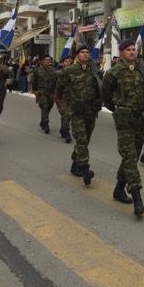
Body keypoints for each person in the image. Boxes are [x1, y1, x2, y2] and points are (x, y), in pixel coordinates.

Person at [102, 39, 144, 217]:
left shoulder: (142, 70)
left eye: (134, 49)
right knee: (130, 157)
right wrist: (118, 110)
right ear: (121, 52)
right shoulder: (113, 72)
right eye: (128, 50)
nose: (132, 52)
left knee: (132, 156)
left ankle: (118, 188)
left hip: (141, 119)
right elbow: (106, 97)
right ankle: (137, 198)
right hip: (125, 121)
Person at [56, 44, 102, 185]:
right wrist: (63, 106)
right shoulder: (69, 71)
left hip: (91, 111)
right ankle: (85, 169)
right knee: (81, 139)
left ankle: (75, 164)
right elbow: (59, 89)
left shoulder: (95, 71)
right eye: (82, 52)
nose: (85, 54)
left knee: (85, 140)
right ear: (77, 55)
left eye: (87, 52)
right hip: (76, 112)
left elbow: (101, 89)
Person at [32, 55, 58, 134]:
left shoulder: (53, 70)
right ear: (42, 61)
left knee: (49, 106)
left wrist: (55, 92)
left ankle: (43, 120)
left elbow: (56, 81)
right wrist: (35, 91)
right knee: (44, 106)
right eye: (46, 60)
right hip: (41, 92)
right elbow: (34, 81)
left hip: (50, 92)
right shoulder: (37, 70)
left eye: (49, 60)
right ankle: (46, 124)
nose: (48, 61)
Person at [56, 55, 73, 143]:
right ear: (63, 63)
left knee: (70, 116)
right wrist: (58, 100)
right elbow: (58, 88)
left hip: (74, 99)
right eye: (66, 61)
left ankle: (63, 129)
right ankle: (66, 132)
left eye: (69, 61)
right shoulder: (60, 73)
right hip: (64, 98)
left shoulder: (75, 73)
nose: (68, 63)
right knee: (66, 115)